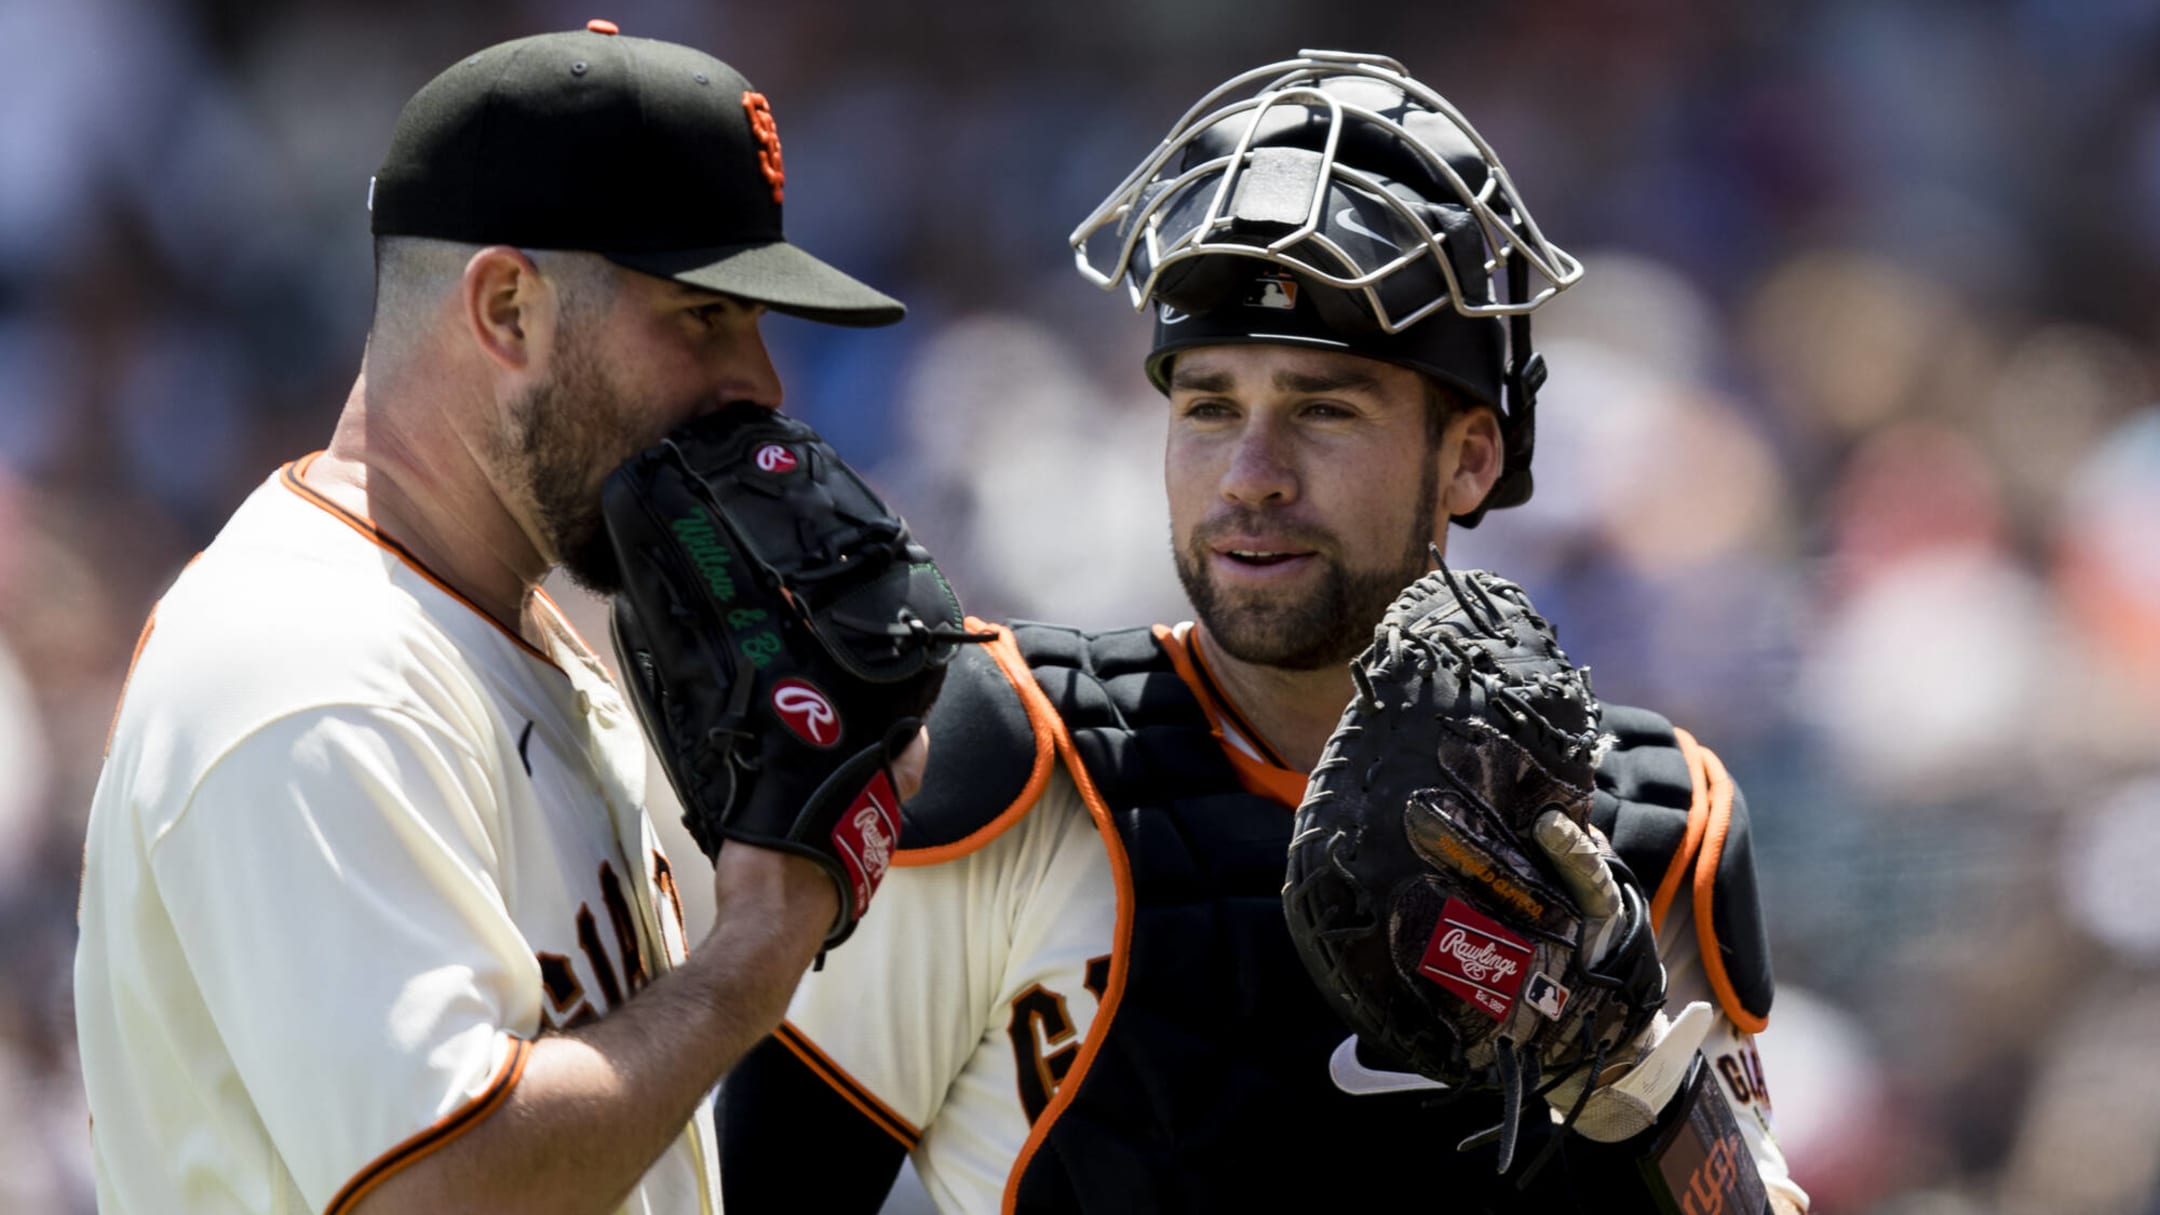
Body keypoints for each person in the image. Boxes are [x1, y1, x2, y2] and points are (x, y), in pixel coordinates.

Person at [717, 52, 1810, 1214]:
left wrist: (1638, 1083)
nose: (1252, 476)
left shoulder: (1652, 826)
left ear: (1471, 454)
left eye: (1324, 410)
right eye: (1209, 407)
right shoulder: (1000, 763)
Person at [73, 23, 921, 1215]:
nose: (765, 382)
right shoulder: (315, 669)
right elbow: (441, 1192)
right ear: (510, 309)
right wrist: (751, 961)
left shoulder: (494, 631)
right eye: (703, 315)